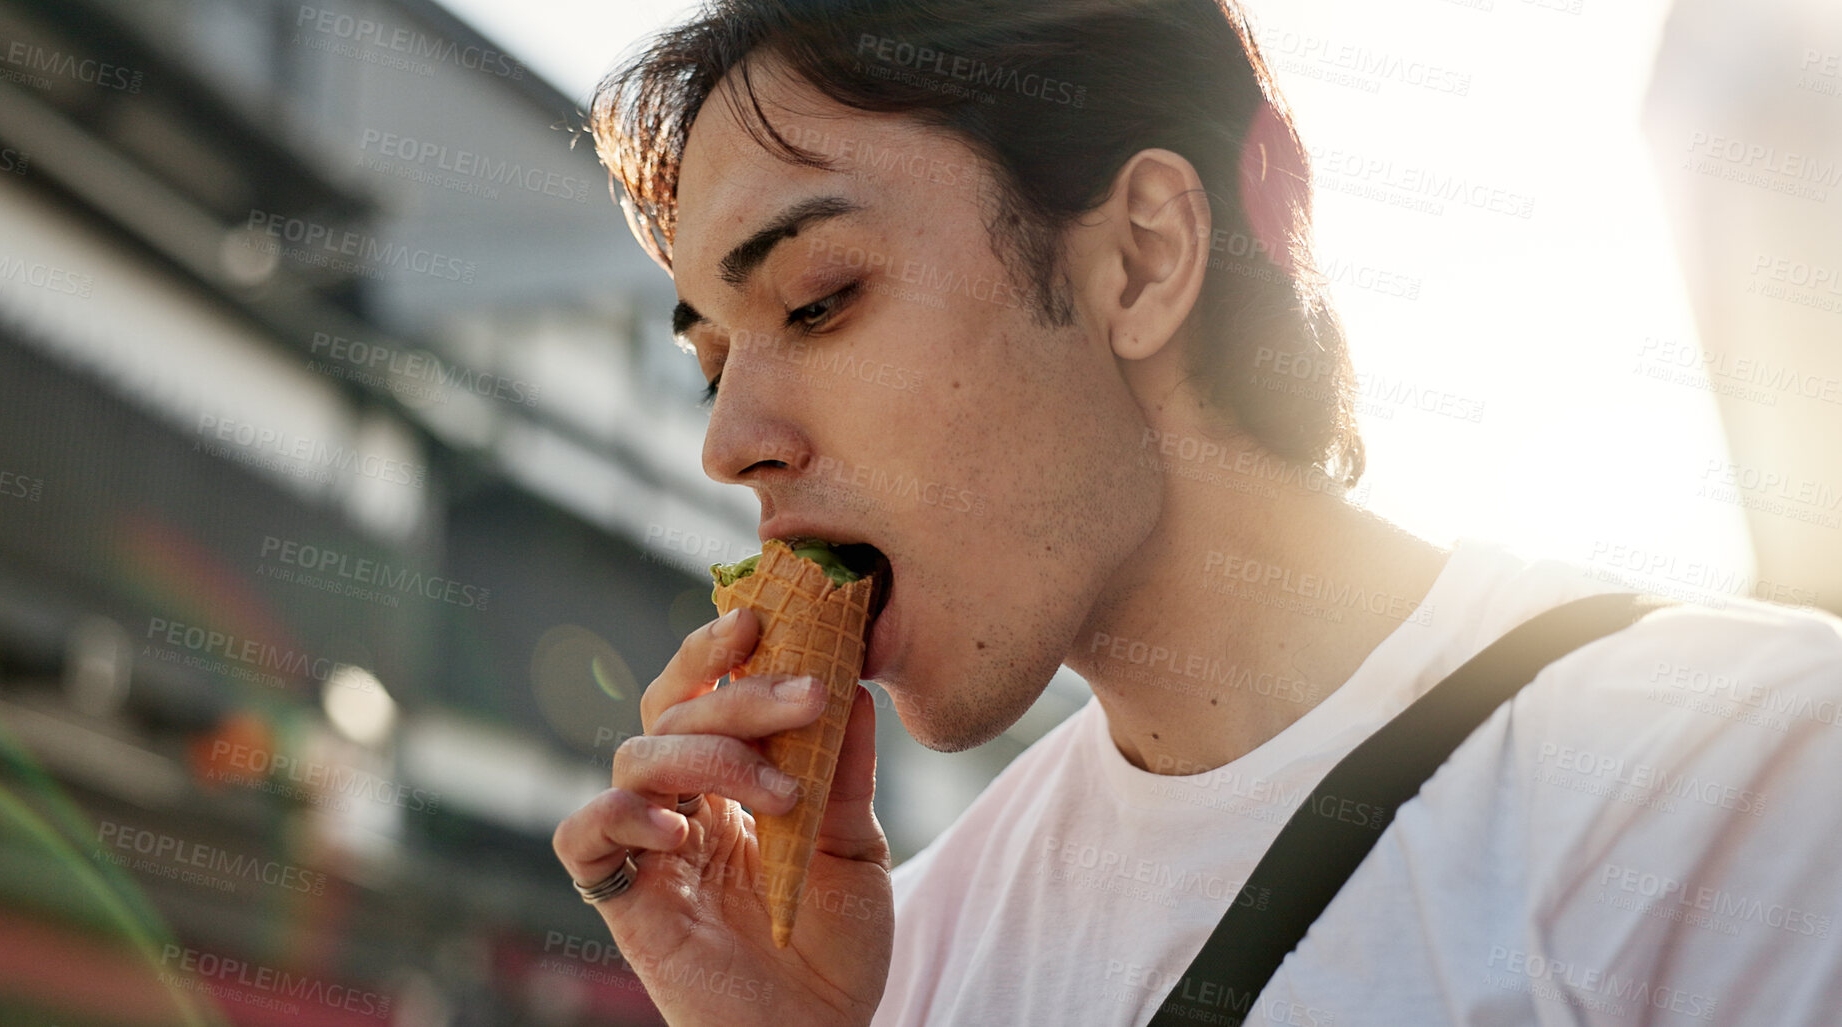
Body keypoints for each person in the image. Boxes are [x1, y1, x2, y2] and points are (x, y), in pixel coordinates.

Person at [552, 1, 1842, 1023]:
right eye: (713, 364)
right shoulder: (898, 958)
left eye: (819, 299)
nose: (730, 447)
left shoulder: (1744, 782)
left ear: (1147, 256)